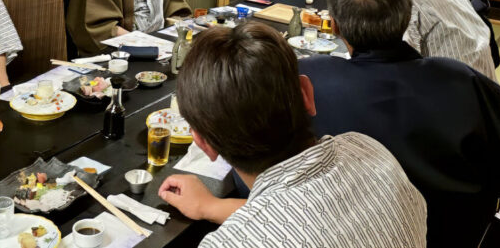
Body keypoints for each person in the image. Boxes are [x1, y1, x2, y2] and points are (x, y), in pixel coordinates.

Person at [299, 0, 500, 248]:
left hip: (344, 235)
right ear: (407, 16)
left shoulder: (309, 80)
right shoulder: (457, 78)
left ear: (336, 26)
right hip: (453, 236)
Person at [158, 23, 427, 248]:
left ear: (204, 143)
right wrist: (211, 206)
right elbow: (308, 216)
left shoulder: (231, 243)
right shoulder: (369, 151)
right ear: (307, 94)